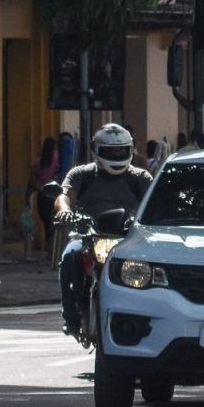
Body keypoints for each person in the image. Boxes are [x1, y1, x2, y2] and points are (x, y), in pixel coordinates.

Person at [56, 124, 150, 339]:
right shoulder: (82, 174)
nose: (116, 155)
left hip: (127, 240)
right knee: (69, 257)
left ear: (131, 150)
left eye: (121, 151)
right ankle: (70, 317)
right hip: (89, 235)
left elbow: (154, 202)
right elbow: (64, 195)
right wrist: (64, 211)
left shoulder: (141, 177)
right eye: (110, 151)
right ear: (96, 150)